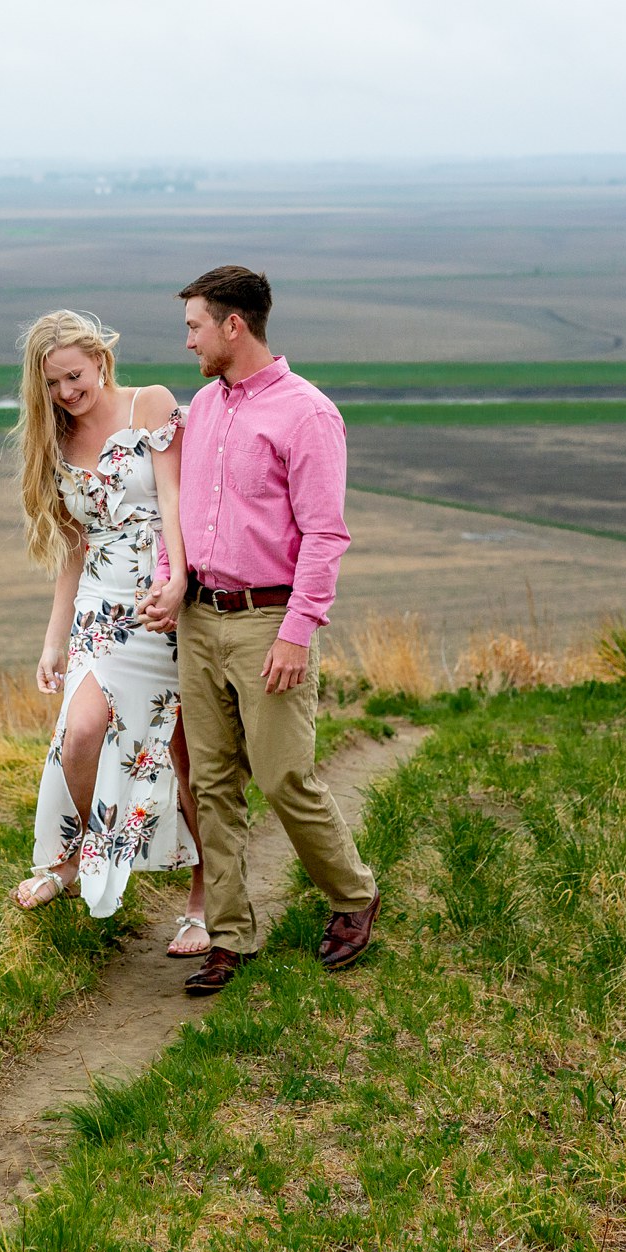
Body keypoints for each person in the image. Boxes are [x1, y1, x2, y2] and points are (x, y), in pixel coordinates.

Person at [139, 265, 380, 996]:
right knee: (210, 783)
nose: (188, 342)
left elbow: (325, 534)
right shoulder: (204, 407)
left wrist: (297, 631)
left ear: (232, 326)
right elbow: (174, 510)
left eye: (194, 326)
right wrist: (166, 575)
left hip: (268, 619)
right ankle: (230, 934)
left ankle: (351, 894)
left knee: (281, 776)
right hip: (198, 617)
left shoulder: (306, 413)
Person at [8, 310, 212, 958]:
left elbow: (176, 499)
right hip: (100, 609)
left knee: (188, 763)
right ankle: (74, 859)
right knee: (79, 734)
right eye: (54, 384)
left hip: (162, 602)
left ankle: (204, 899)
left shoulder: (149, 404)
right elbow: (72, 549)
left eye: (75, 374)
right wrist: (51, 641)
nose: (69, 391)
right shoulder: (56, 441)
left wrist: (178, 580)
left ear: (99, 358)